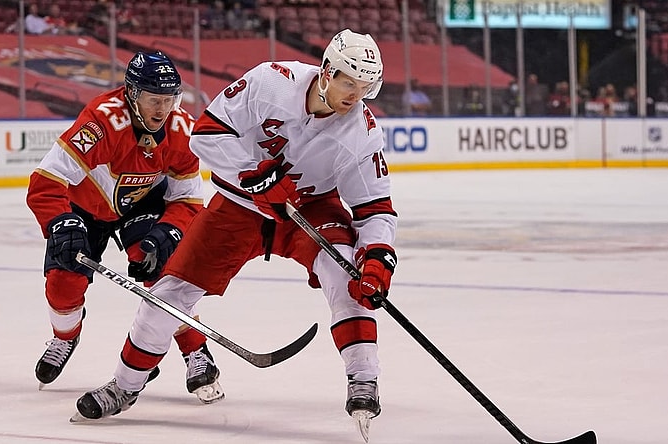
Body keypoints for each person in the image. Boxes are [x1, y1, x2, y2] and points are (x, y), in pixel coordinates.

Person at [74, 29, 398, 429]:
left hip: (310, 210)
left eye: (365, 86)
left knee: (346, 272)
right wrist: (253, 175)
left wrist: (380, 255)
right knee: (168, 293)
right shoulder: (270, 82)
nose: (356, 95)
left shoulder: (363, 132)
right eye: (350, 82)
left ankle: (363, 380)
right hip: (238, 207)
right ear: (327, 72)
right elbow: (206, 134)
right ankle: (124, 386)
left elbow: (375, 207)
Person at [26, 51, 223, 404]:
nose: (162, 110)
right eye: (153, 100)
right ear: (132, 94)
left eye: (169, 99)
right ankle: (65, 335)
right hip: (83, 206)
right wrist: (60, 222)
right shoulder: (101, 123)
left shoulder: (181, 130)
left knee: (161, 272)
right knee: (62, 285)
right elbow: (45, 182)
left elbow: (189, 200)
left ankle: (195, 350)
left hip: (142, 203)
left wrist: (168, 233)